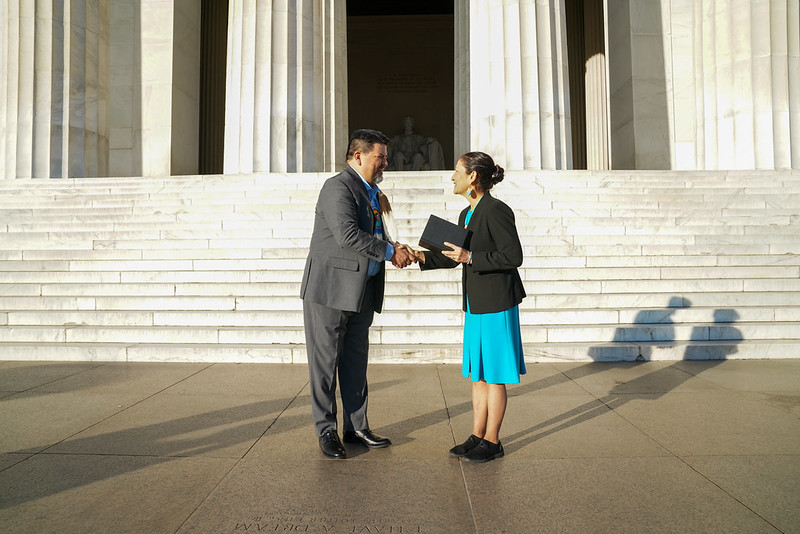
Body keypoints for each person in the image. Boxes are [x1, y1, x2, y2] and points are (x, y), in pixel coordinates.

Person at [300, 129, 416, 459]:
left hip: (362, 289)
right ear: (358, 156)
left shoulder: (372, 192)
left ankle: (356, 426)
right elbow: (348, 235)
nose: (385, 163)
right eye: (380, 157)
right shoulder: (337, 187)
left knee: (355, 361)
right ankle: (326, 431)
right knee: (325, 365)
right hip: (330, 290)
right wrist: (391, 254)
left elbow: (375, 231)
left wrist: (395, 246)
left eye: (385, 157)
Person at [411, 151, 526, 463]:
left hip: (497, 302)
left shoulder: (497, 210)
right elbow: (453, 256)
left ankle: (493, 440)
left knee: (496, 374)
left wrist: (471, 258)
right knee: (478, 374)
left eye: (457, 172)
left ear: (472, 177)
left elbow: (513, 256)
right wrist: (420, 256)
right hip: (475, 304)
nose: (452, 177)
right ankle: (477, 435)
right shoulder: (466, 214)